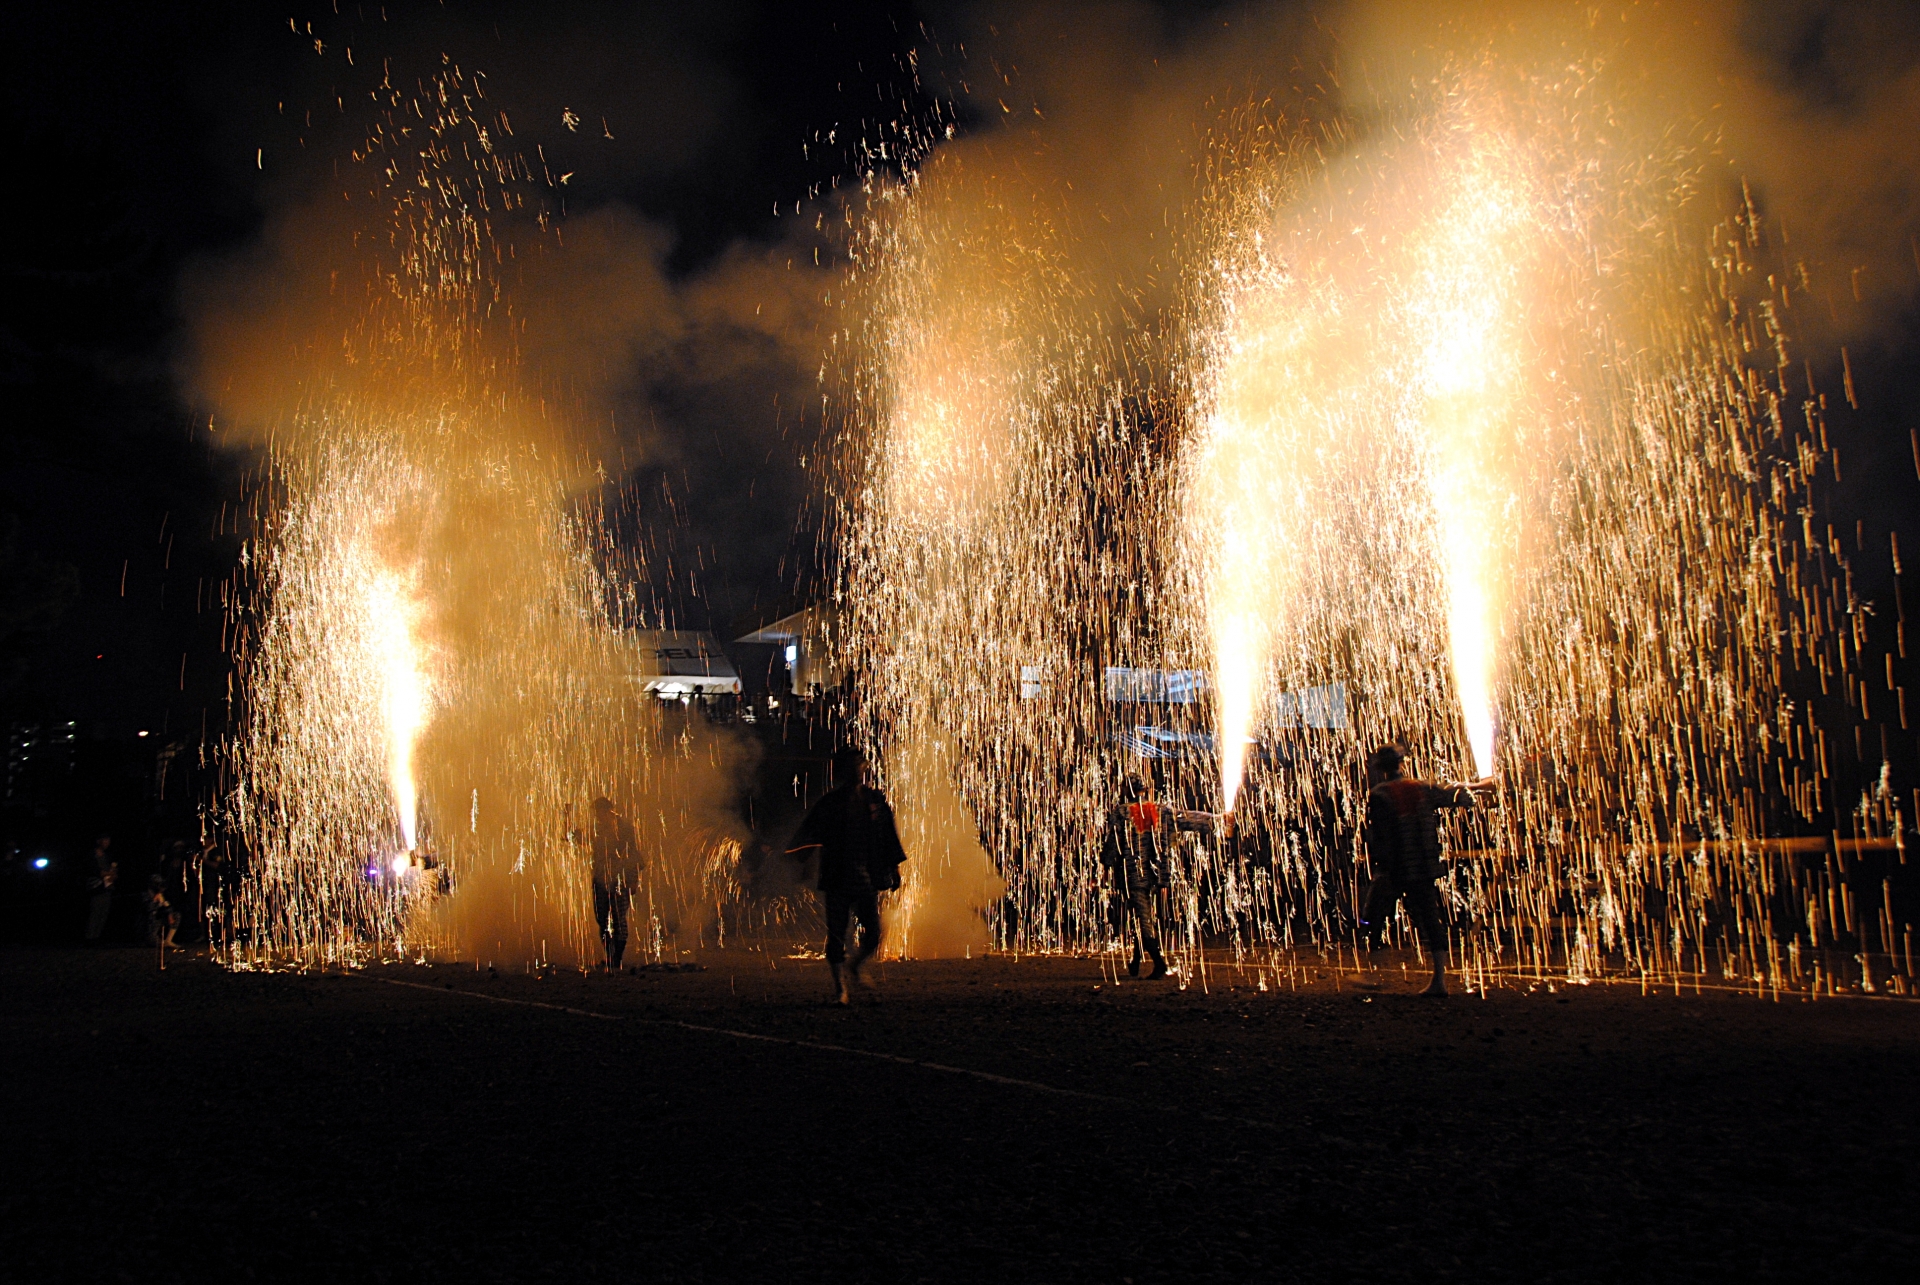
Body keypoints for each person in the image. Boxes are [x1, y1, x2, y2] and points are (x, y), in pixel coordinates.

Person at [1360, 743, 1494, 996]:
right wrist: (1482, 786)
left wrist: (1381, 865)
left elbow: (1382, 836)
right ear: (1401, 763)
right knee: (1430, 920)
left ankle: (1372, 972)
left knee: (1372, 916)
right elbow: (1456, 795)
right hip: (1423, 866)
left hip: (1395, 868)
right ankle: (1439, 980)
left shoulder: (1380, 794)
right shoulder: (1420, 787)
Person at [787, 746, 907, 1005]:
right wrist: (802, 859)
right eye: (851, 766)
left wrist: (893, 868)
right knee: (837, 934)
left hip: (865, 876)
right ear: (842, 771)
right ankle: (840, 988)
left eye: (859, 765)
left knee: (874, 933)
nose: (857, 770)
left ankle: (854, 966)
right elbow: (811, 833)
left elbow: (888, 836)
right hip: (837, 876)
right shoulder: (830, 803)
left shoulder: (875, 801)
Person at [1099, 774, 1214, 979]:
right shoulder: (1161, 810)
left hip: (1132, 873)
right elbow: (1187, 818)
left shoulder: (1122, 812)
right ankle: (1135, 960)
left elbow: (1112, 845)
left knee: (1142, 917)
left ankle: (1159, 963)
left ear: (1128, 791)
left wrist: (1105, 870)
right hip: (1156, 871)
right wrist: (1218, 819)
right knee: (1142, 914)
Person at [590, 797, 640, 971]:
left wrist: (633, 879)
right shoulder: (598, 829)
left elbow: (634, 855)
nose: (597, 817)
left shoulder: (625, 829)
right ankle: (610, 956)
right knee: (602, 918)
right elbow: (583, 838)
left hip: (620, 879)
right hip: (600, 879)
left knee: (618, 919)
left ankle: (616, 959)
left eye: (599, 813)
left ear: (608, 811)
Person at [85, 835, 117, 942]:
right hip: (96, 886)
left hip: (107, 886)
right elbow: (92, 870)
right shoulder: (92, 855)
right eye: (105, 840)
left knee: (103, 912)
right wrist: (106, 873)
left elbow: (113, 868)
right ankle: (90, 937)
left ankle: (97, 936)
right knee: (95, 911)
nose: (107, 842)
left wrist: (113, 874)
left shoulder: (108, 855)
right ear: (99, 840)